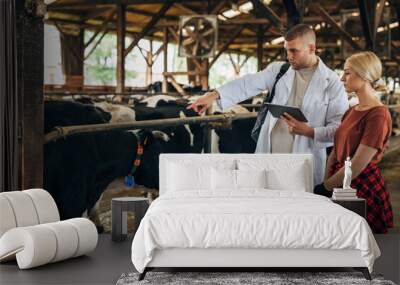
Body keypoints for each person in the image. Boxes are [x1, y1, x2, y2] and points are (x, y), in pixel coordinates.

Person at [188, 24, 348, 186]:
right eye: (287, 50)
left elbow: (339, 130)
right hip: (270, 154)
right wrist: (214, 95)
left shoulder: (332, 83)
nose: (289, 56)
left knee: (299, 206)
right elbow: (248, 83)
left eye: (294, 51)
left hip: (303, 160)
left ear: (312, 48)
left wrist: (310, 131)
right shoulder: (280, 71)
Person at [314, 51, 393, 234]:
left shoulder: (378, 115)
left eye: (347, 72)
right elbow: (334, 152)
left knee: (358, 245)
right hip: (339, 180)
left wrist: (326, 186)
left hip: (360, 185)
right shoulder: (352, 110)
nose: (342, 78)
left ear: (364, 76)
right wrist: (327, 182)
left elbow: (357, 164)